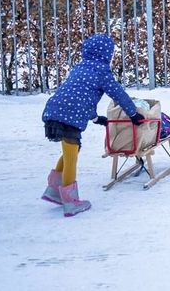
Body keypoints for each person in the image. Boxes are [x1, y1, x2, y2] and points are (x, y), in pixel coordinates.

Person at [41, 34, 145, 217]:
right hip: (68, 115)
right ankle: (70, 202)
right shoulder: (102, 72)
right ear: (107, 54)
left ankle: (53, 190)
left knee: (70, 149)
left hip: (55, 109)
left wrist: (97, 119)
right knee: (71, 156)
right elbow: (118, 94)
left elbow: (80, 98)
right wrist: (134, 114)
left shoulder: (80, 68)